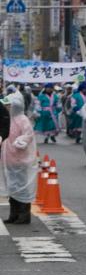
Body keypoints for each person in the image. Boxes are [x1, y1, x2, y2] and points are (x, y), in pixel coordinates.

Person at [2, 92, 37, 225]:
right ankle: (14, 214)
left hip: (20, 160)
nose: (6, 107)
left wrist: (20, 142)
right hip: (8, 160)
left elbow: (28, 135)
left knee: (22, 187)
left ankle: (24, 215)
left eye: (8, 105)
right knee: (12, 188)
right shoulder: (6, 118)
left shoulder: (23, 119)